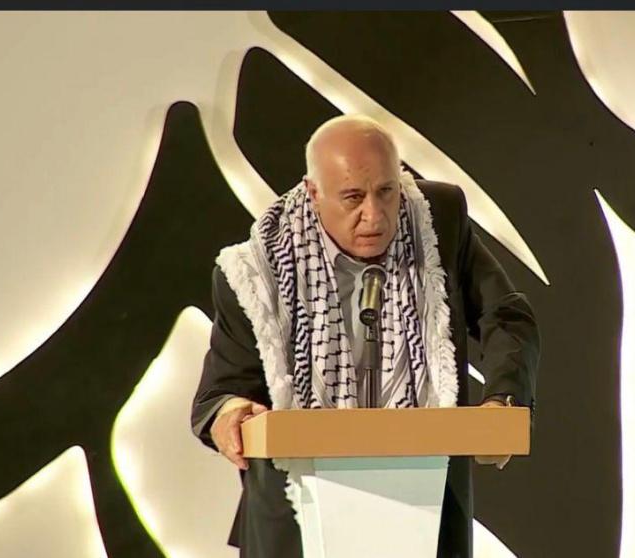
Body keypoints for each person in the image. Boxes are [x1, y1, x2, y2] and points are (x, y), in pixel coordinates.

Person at [191, 114, 540, 558]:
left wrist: (502, 403)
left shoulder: (438, 222)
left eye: (386, 192)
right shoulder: (258, 269)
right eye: (353, 197)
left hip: (424, 509)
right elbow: (220, 392)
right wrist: (230, 414)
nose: (373, 215)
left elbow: (506, 315)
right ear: (313, 193)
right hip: (296, 522)